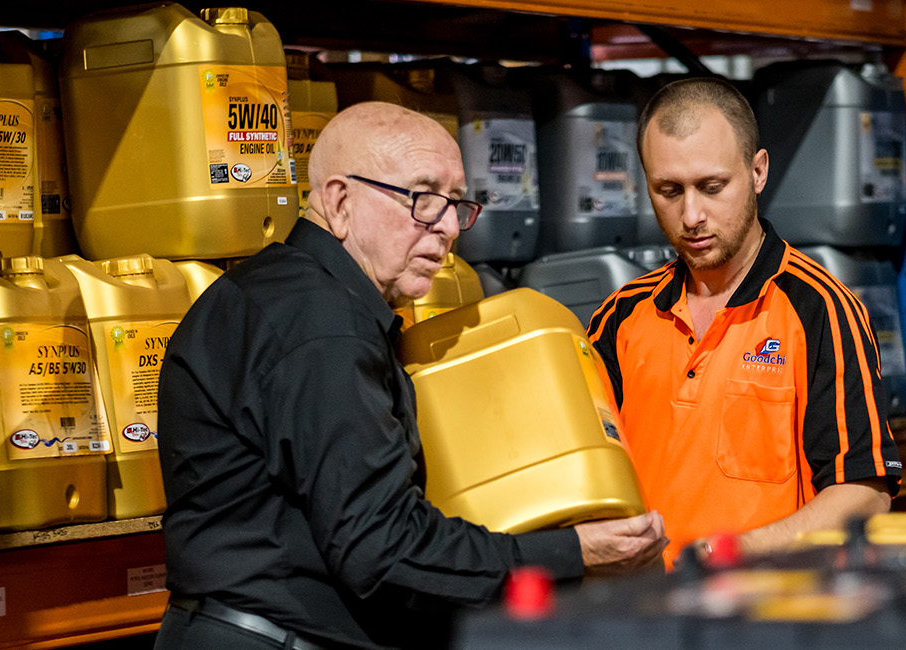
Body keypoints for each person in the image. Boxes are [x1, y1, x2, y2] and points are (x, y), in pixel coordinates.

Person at [155, 102, 667, 650]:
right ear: (340, 201)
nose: (448, 227)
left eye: (456, 204)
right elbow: (381, 547)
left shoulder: (276, 294)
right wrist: (576, 554)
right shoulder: (323, 329)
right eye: (423, 199)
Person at [587, 78, 902, 563]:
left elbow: (864, 493)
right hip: (642, 617)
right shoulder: (621, 317)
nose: (691, 215)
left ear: (757, 171)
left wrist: (728, 554)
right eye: (668, 190)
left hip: (764, 616)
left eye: (712, 187)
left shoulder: (820, 310)